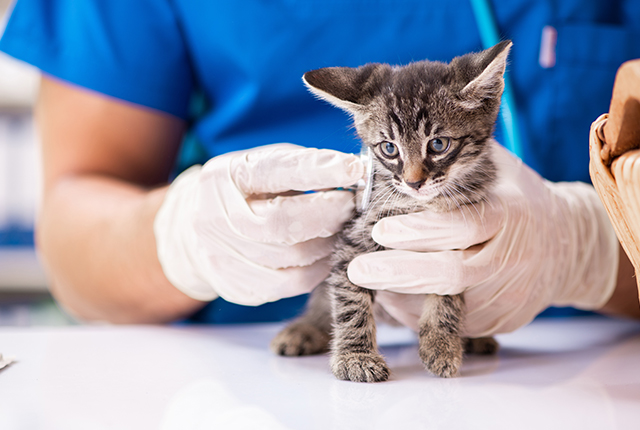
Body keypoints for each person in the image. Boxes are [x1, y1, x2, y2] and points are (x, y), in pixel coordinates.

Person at [0, 0, 638, 332]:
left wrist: (589, 249)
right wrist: (174, 240)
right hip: (247, 381)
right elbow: (73, 222)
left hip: (582, 375)